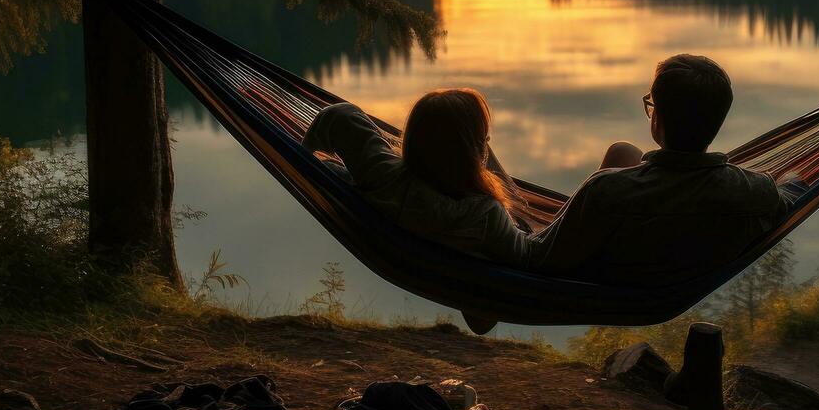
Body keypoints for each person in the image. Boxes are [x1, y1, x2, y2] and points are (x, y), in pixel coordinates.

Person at [527, 54, 791, 286]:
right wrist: (793, 178)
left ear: (658, 119)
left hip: (605, 280)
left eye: (651, 106)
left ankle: (544, 227)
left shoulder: (605, 190)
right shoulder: (754, 190)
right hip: (672, 279)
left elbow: (541, 257)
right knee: (623, 151)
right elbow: (790, 195)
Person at [303, 88, 528, 265]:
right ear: (472, 153)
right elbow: (527, 255)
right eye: (483, 141)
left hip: (401, 204)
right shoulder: (486, 215)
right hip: (473, 250)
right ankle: (521, 210)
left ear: (412, 141)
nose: (485, 147)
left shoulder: (386, 177)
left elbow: (340, 115)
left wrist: (303, 157)